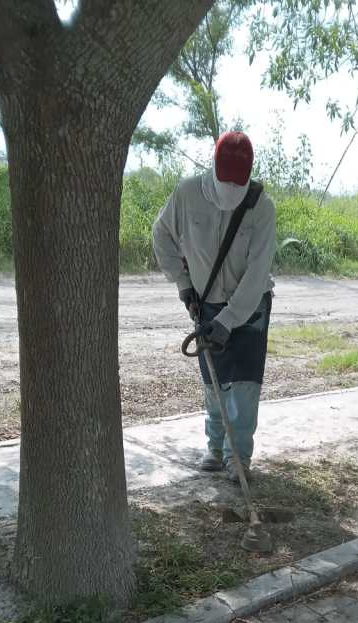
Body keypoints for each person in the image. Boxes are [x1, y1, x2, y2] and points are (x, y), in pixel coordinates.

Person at [153, 131, 276, 483]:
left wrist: (230, 318)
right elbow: (161, 235)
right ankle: (216, 447)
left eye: (239, 183)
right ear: (214, 168)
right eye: (227, 181)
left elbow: (258, 271)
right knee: (214, 380)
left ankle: (238, 458)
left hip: (250, 307)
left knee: (244, 385)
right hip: (206, 303)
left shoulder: (261, 207)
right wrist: (183, 283)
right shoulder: (187, 194)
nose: (232, 190)